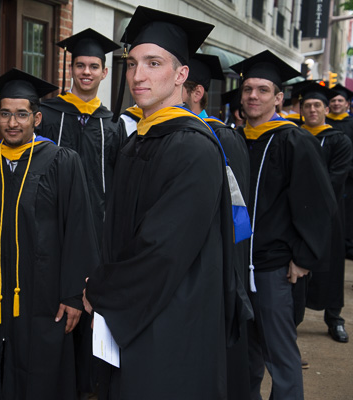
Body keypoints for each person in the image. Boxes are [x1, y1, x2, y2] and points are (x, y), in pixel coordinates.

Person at [83, 7, 252, 399]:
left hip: (173, 317)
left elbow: (162, 250)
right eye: (132, 63)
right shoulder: (139, 138)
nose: (138, 76)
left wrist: (102, 289)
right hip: (140, 309)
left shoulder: (193, 147)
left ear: (181, 75)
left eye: (153, 63)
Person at [0, 68, 100, 400]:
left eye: (22, 114)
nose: (12, 123)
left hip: (47, 296)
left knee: (43, 374)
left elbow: (78, 229)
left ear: (37, 118)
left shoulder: (63, 162)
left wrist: (73, 295)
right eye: (5, 113)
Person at [230, 50, 336, 399]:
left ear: (278, 97)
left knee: (280, 354)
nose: (253, 96)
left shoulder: (294, 140)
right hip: (235, 262)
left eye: (262, 90)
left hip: (273, 267)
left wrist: (304, 257)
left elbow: (318, 205)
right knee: (244, 353)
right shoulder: (232, 140)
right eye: (247, 89)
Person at [183, 52, 252, 400]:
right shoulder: (167, 134)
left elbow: (237, 218)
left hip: (214, 266)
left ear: (196, 93)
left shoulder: (221, 137)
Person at [38, 28, 126, 244]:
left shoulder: (113, 124)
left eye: (94, 66)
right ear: (71, 69)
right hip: (49, 225)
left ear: (104, 72)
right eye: (80, 65)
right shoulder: (46, 115)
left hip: (98, 228)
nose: (87, 72)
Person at [298, 82, 351, 344]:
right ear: (301, 110)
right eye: (307, 105)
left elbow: (335, 180)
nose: (312, 110)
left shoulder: (338, 140)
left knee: (331, 265)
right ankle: (290, 319)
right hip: (295, 213)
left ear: (326, 109)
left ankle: (334, 318)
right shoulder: (293, 135)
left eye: (317, 105)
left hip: (328, 214)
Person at [326, 84, 353, 267]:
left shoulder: (351, 123)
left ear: (347, 104)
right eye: (333, 100)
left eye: (340, 100)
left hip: (349, 180)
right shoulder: (323, 123)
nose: (336, 103)